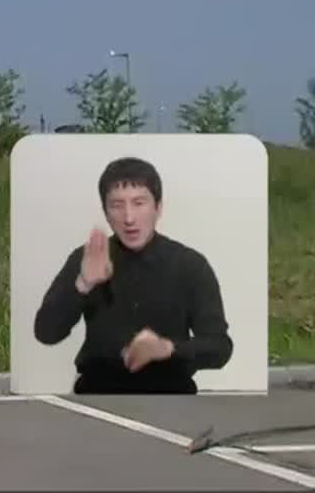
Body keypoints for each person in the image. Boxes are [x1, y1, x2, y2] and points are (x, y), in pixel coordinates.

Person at [32, 155, 231, 394]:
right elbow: (46, 332)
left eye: (139, 203)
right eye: (117, 205)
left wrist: (167, 349)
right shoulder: (88, 258)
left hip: (171, 396)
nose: (128, 218)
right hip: (98, 396)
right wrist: (82, 284)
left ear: (158, 208)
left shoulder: (191, 265)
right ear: (106, 212)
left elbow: (219, 347)